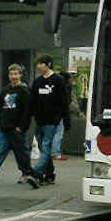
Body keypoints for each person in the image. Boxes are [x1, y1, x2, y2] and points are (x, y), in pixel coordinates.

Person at [0, 64, 39, 188]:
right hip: (5, 129)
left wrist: (21, 127)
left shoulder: (24, 91)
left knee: (22, 153)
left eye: (16, 74)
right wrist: (1, 122)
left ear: (20, 75)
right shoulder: (5, 91)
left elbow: (27, 111)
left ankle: (27, 173)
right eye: (11, 74)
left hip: (17, 129)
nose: (13, 76)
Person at [30, 55, 70, 185]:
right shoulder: (37, 82)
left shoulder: (58, 80)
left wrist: (65, 119)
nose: (38, 66)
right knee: (43, 150)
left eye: (41, 63)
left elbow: (64, 101)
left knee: (46, 147)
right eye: (37, 64)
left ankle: (36, 172)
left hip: (52, 121)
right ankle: (49, 174)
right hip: (39, 121)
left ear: (48, 64)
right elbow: (33, 101)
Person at [52, 72, 73, 161]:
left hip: (51, 114)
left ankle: (49, 152)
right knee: (58, 133)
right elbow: (66, 103)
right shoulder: (66, 87)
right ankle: (55, 153)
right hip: (59, 114)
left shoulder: (53, 85)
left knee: (51, 134)